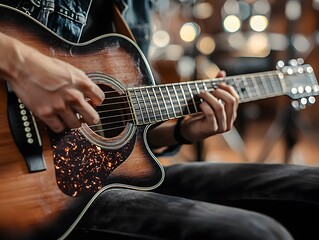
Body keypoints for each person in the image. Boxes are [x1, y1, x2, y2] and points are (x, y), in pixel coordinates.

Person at [0, 1, 319, 240]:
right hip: (30, 196)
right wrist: (23, 65)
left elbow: (118, 136)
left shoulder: (138, 9)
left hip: (93, 179)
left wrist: (182, 130)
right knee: (257, 234)